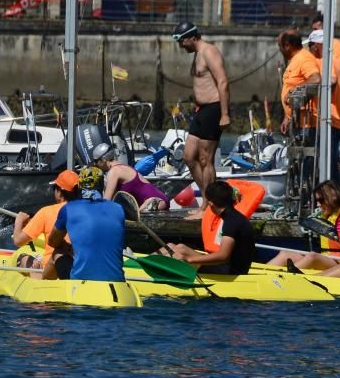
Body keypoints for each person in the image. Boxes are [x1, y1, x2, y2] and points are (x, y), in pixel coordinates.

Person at [267, 180, 340, 271]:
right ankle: (262, 274)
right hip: (330, 258)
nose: (318, 204)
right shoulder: (328, 215)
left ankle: (286, 279)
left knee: (313, 257)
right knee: (285, 254)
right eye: (316, 200)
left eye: (321, 200)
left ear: (333, 197)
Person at [173, 21, 231, 198]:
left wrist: (225, 114)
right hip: (202, 111)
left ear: (192, 37)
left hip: (214, 110)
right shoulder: (198, 54)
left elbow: (223, 82)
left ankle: (210, 205)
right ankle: (209, 198)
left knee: (206, 160)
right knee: (189, 157)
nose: (180, 45)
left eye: (182, 41)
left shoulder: (209, 51)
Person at [164, 180, 255, 275]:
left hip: (230, 273)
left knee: (179, 253)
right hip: (229, 266)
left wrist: (190, 259)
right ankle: (151, 267)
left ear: (211, 204)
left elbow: (223, 256)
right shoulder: (235, 216)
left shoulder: (231, 222)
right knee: (178, 247)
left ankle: (159, 276)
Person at [47, 181, 126, 282]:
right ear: (102, 187)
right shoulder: (118, 209)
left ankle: (43, 285)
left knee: (58, 252)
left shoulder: (68, 208)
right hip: (117, 282)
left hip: (80, 283)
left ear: (80, 187)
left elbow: (52, 242)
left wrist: (65, 246)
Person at [304, 29, 340, 182]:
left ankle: (330, 199)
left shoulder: (325, 61)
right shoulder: (337, 61)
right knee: (330, 161)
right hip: (335, 119)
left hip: (327, 120)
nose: (308, 50)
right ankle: (330, 197)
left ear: (316, 46)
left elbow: (331, 81)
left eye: (310, 46)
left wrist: (323, 97)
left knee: (325, 165)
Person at [12, 170, 78, 277]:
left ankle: (36, 274)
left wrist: (19, 221)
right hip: (77, 264)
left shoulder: (46, 211)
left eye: (54, 189)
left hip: (51, 268)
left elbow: (18, 241)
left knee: (21, 257)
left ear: (59, 192)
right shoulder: (87, 211)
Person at [91, 142, 170, 211]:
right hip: (159, 198)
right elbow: (113, 200)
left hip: (152, 201)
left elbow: (106, 202)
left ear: (104, 159)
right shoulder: (123, 166)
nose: (95, 165)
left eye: (96, 161)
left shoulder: (113, 172)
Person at [278, 30, 320, 140]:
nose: (279, 49)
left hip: (307, 124)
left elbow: (315, 78)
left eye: (280, 46)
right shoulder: (295, 59)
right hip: (296, 121)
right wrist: (287, 118)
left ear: (287, 46)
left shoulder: (304, 58)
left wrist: (293, 90)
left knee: (306, 156)